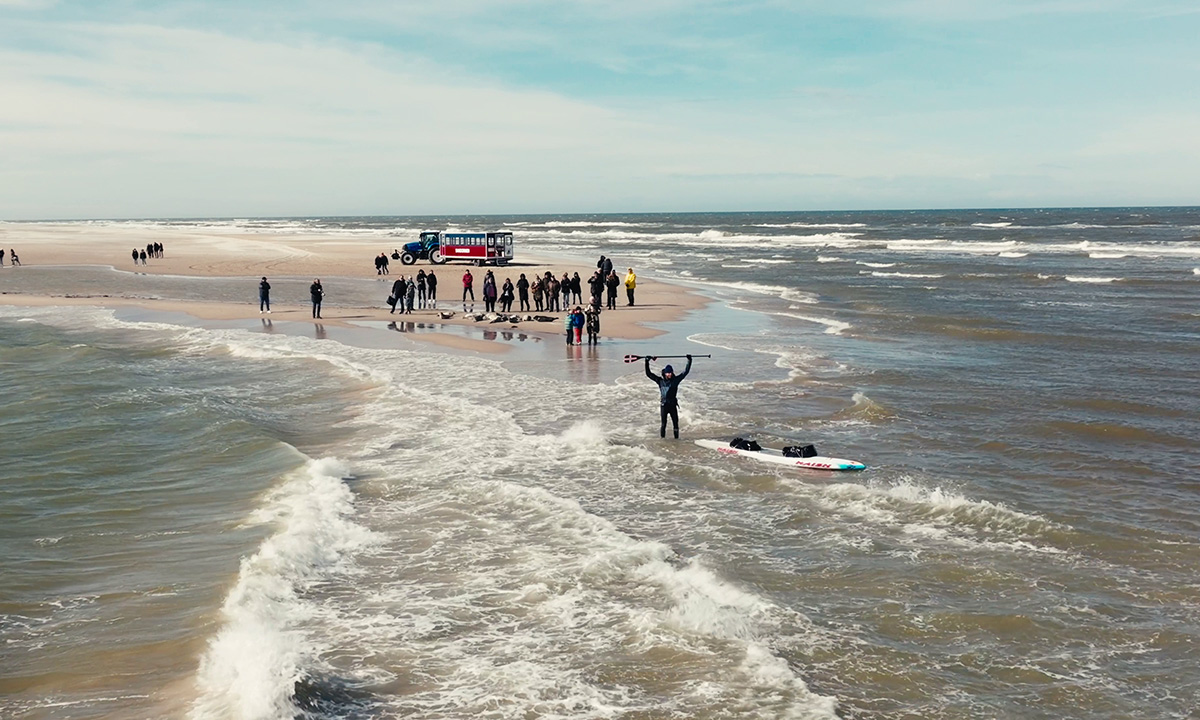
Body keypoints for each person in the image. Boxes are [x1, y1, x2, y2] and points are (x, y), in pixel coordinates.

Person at [646, 355, 692, 439]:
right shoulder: (660, 381)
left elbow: (685, 372)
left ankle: (677, 440)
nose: (669, 374)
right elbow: (648, 374)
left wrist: (689, 361)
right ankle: (662, 440)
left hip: (672, 405)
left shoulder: (676, 380)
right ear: (665, 373)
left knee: (675, 424)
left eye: (670, 373)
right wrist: (646, 362)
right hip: (664, 405)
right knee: (664, 424)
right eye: (668, 373)